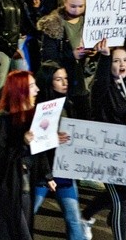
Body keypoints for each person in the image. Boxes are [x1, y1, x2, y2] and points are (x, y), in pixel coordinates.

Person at [82, 45, 126, 240]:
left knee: (116, 194)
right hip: (107, 150)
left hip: (125, 151)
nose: (122, 64)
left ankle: (84, 216)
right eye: (116, 61)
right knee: (121, 199)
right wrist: (104, 57)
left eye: (125, 60)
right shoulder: (102, 87)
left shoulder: (125, 86)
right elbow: (101, 78)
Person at [0, 70, 54, 240]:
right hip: (9, 190)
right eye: (31, 86)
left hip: (25, 188)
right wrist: (22, 143)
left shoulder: (30, 116)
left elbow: (39, 149)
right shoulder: (2, 120)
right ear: (20, 90)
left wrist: (47, 175)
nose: (37, 89)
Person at [31, 61, 84, 240]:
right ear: (48, 82)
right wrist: (53, 139)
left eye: (66, 78)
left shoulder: (68, 104)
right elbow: (34, 144)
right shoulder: (38, 109)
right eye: (58, 79)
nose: (64, 83)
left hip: (64, 171)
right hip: (42, 173)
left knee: (75, 220)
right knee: (26, 215)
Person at [37, 0, 100, 119]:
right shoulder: (53, 24)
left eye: (81, 6)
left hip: (84, 78)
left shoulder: (91, 21)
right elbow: (49, 57)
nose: (77, 10)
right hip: (63, 80)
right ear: (64, 2)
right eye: (72, 6)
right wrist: (72, 55)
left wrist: (94, 52)